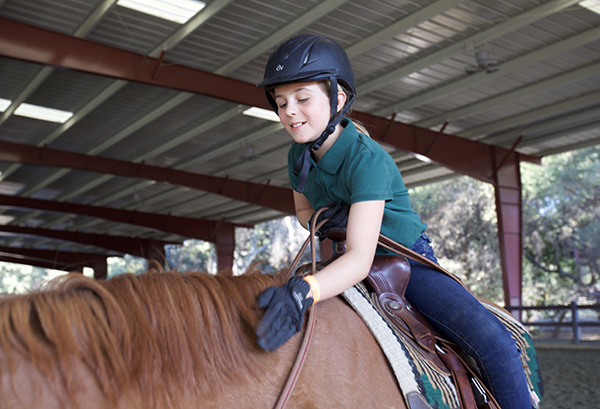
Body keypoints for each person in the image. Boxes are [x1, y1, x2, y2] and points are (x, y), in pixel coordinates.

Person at [255, 33, 534, 409]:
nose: (289, 111)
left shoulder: (367, 158)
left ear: (337, 99)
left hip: (405, 263)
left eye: (302, 99)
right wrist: (326, 220)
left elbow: (361, 257)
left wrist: (305, 291)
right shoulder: (297, 155)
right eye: (282, 101)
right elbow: (305, 214)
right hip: (346, 258)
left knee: (494, 344)